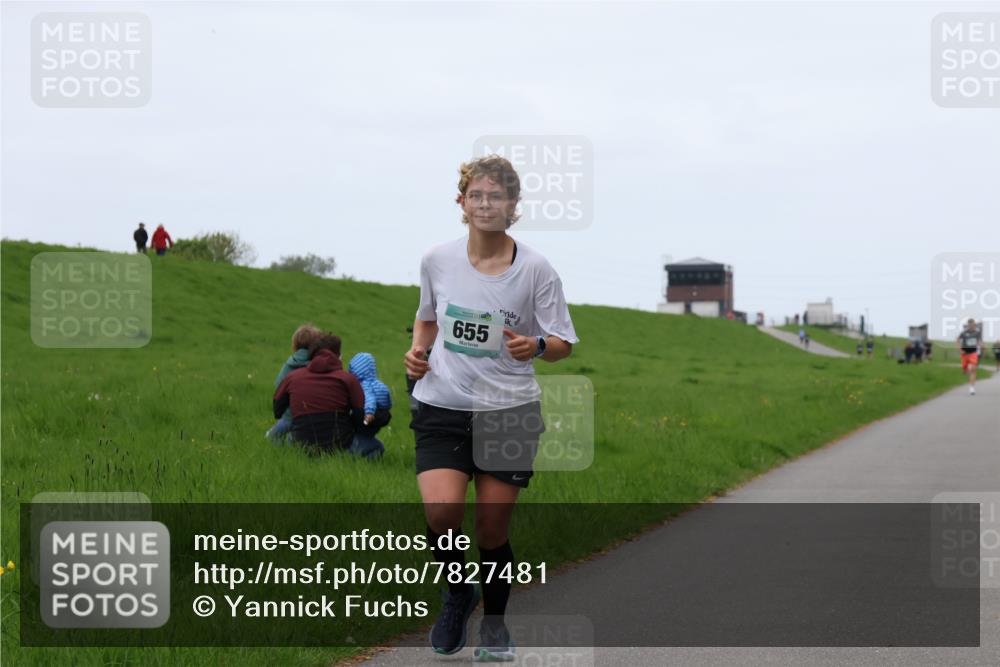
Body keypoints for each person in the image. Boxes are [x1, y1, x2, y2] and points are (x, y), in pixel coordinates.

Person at [404, 155, 578, 660]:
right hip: (442, 403)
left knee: (490, 529)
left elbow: (564, 340)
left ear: (513, 206)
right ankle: (459, 594)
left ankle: (496, 624)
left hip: (509, 410)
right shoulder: (437, 259)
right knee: (442, 512)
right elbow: (426, 319)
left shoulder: (537, 268)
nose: (485, 204)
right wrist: (417, 354)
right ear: (461, 203)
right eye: (476, 195)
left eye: (496, 196)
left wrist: (537, 347)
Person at [273, 332, 365, 452]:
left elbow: (277, 411)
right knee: (376, 446)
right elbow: (360, 416)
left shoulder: (292, 377)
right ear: (338, 355)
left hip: (301, 446)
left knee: (283, 440)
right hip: (340, 446)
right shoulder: (348, 379)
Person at [266, 323, 321, 443]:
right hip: (316, 415)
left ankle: (278, 449)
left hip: (290, 415)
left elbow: (278, 387)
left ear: (295, 344)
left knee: (273, 436)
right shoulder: (319, 365)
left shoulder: (289, 364)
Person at [347, 352, 393, 460]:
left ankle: (356, 457)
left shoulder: (364, 385)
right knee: (374, 444)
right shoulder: (379, 384)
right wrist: (386, 408)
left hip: (366, 418)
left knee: (361, 439)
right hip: (378, 416)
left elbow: (370, 399)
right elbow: (388, 399)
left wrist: (369, 412)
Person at [956, 318, 982, 395]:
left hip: (973, 353)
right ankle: (966, 370)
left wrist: (980, 344)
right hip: (964, 354)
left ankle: (972, 387)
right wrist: (960, 349)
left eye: (973, 325)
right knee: (965, 370)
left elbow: (979, 341)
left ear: (974, 325)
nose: (972, 326)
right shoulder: (964, 333)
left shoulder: (977, 333)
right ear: (968, 325)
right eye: (970, 325)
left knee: (973, 369)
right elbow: (957, 340)